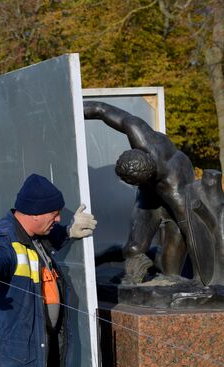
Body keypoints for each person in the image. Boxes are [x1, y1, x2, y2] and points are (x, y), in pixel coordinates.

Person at [0, 174, 97, 367]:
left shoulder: (33, 235)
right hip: (5, 360)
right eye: (55, 213)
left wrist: (69, 231)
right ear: (35, 213)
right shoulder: (5, 240)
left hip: (32, 353)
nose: (59, 218)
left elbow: (49, 239)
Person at [83, 101, 196, 284]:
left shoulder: (173, 188)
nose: (128, 185)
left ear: (146, 177)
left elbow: (192, 230)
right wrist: (71, 110)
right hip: (150, 194)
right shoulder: (137, 131)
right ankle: (106, 258)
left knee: (171, 273)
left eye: (132, 183)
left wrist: (203, 279)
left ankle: (155, 259)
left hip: (176, 200)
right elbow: (101, 110)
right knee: (134, 248)